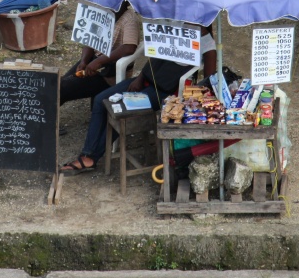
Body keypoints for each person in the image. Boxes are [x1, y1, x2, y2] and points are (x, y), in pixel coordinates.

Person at [60, 25, 218, 174]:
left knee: (119, 107)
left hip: (166, 92)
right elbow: (154, 58)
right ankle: (88, 151)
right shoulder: (173, 29)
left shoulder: (208, 45)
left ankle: (90, 157)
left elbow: (207, 84)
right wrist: (140, 78)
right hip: (146, 80)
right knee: (101, 100)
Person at [60, 3, 140, 106]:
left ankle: (44, 117)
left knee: (63, 88)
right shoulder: (102, 12)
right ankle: (46, 116)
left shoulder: (130, 19)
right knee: (59, 85)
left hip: (109, 73)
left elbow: (129, 47)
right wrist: (84, 61)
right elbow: (90, 39)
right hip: (93, 62)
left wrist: (99, 61)